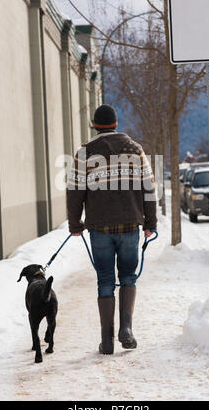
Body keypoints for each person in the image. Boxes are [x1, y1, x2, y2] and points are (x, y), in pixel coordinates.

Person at [67, 104, 157, 354]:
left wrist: (75, 224)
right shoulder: (135, 149)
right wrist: (150, 223)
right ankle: (126, 329)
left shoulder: (83, 153)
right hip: (130, 224)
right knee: (128, 277)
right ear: (116, 124)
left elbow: (74, 192)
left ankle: (106, 341)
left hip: (99, 227)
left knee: (105, 280)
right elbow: (149, 188)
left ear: (95, 126)